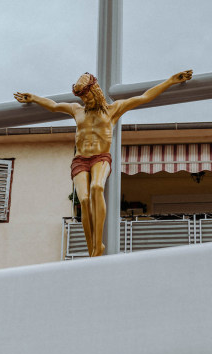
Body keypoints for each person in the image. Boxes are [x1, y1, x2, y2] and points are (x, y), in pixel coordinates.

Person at [15, 70, 192, 257]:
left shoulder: (113, 110)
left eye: (88, 97)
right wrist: (33, 98)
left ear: (96, 92)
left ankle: (98, 245)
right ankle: (92, 249)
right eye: (83, 98)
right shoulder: (77, 110)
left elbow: (144, 97)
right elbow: (54, 106)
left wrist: (171, 81)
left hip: (100, 157)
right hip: (80, 159)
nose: (86, 101)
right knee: (83, 200)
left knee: (97, 187)